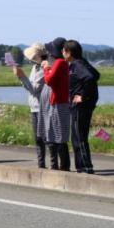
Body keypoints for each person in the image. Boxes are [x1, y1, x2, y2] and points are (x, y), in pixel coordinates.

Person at [65, 39, 100, 173]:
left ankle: (85, 167)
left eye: (64, 51)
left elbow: (90, 78)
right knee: (79, 136)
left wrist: (83, 96)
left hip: (80, 106)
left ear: (69, 53)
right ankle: (83, 166)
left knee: (78, 137)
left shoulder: (77, 65)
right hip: (84, 105)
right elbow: (96, 74)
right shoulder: (82, 62)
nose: (63, 53)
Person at [14, 43, 48, 167]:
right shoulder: (35, 67)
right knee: (38, 138)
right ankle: (41, 164)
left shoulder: (44, 68)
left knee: (44, 137)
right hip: (34, 106)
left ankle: (53, 164)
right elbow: (29, 86)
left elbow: (34, 89)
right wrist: (21, 77)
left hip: (42, 107)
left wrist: (22, 76)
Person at [42, 37, 72, 171]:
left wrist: (46, 69)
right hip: (59, 102)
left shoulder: (60, 62)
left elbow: (49, 80)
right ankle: (60, 165)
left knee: (58, 135)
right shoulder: (61, 62)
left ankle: (63, 166)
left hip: (59, 103)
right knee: (55, 134)